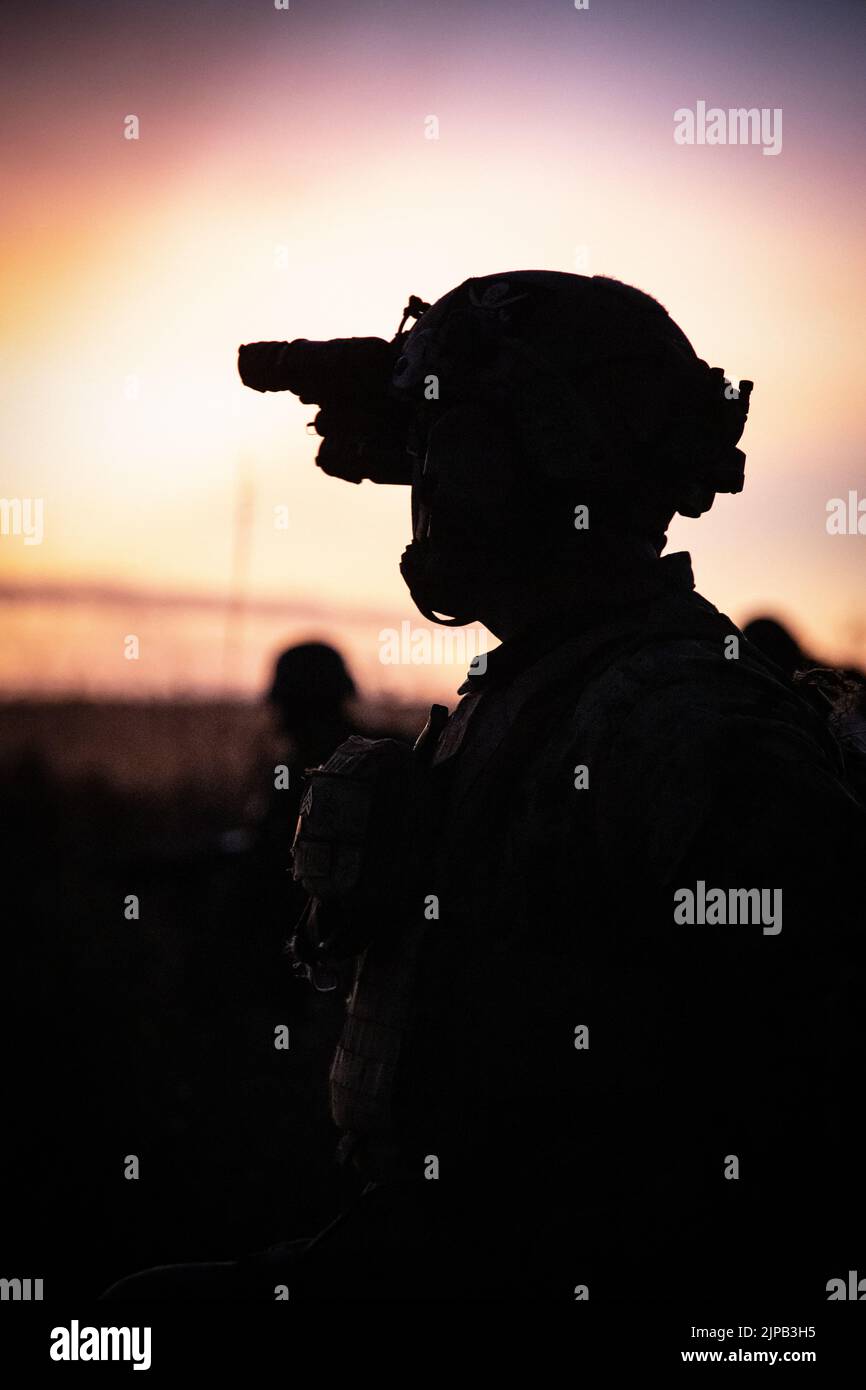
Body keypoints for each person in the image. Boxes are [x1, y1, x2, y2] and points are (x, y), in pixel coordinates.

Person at [105, 271, 865, 1301]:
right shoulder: (546, 681)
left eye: (445, 446)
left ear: (554, 456)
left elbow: (789, 1149)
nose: (422, 481)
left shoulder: (682, 721)